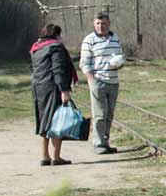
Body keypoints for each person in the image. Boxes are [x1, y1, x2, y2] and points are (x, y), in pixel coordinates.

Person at [30, 23, 77, 166]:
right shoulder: (56, 47)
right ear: (56, 35)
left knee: (44, 120)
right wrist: (64, 90)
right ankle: (56, 157)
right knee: (58, 120)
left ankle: (45, 156)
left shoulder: (36, 48)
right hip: (53, 87)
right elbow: (58, 69)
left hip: (39, 88)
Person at [79, 11, 125, 154]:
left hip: (113, 81)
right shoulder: (89, 40)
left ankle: (105, 142)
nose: (101, 26)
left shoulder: (115, 38)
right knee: (99, 114)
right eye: (98, 23)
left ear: (109, 24)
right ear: (94, 24)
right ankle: (98, 144)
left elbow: (120, 56)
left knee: (109, 114)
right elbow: (84, 63)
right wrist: (91, 80)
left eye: (104, 23)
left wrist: (119, 63)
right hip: (98, 81)